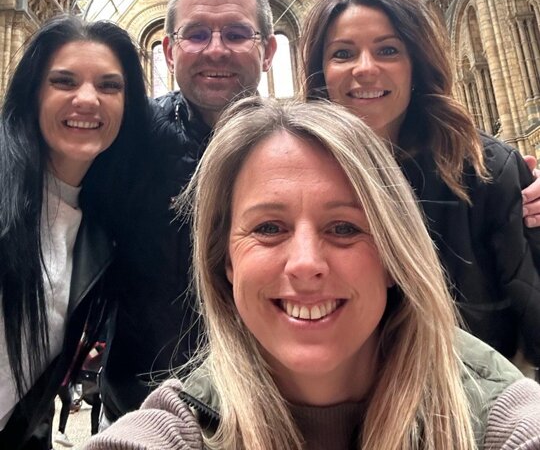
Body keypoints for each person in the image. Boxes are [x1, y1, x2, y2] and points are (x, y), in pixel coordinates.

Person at [85, 98, 540, 450]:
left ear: (393, 256)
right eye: (268, 228)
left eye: (344, 228)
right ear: (226, 261)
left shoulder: (497, 411)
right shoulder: (177, 425)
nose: (305, 263)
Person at [300, 0, 540, 366]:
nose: (365, 68)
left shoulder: (487, 168)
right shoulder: (296, 173)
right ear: (321, 72)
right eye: (343, 53)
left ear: (415, 63)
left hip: (468, 387)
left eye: (387, 50)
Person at [96, 0, 277, 423]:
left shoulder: (297, 144)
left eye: (236, 34)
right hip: (140, 400)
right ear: (169, 51)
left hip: (269, 402)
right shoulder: (124, 136)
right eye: (196, 34)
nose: (216, 49)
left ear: (269, 51)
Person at [0, 15, 150, 450]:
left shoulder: (99, 231)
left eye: (109, 86)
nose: (87, 99)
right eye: (64, 81)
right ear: (33, 93)